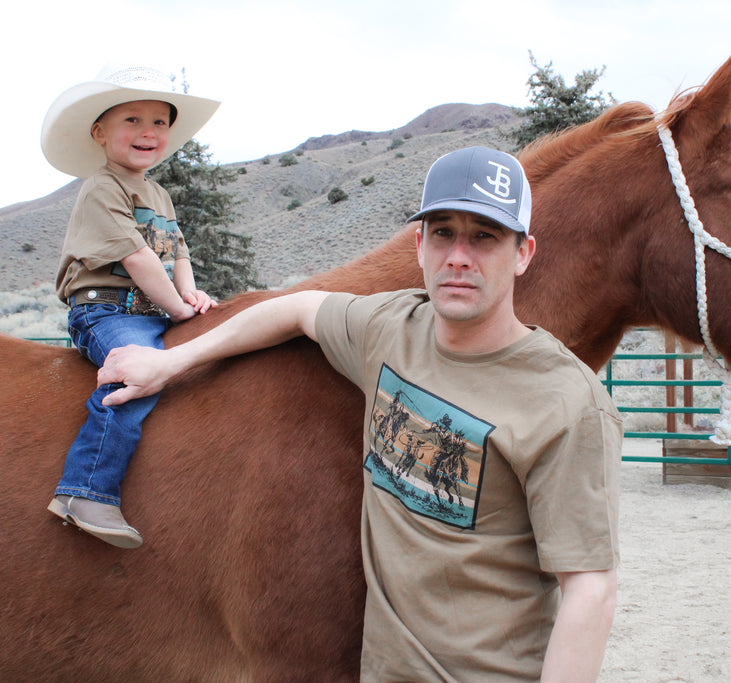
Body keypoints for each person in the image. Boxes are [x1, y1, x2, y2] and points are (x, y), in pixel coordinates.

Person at [99, 146, 622, 679]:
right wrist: (173, 361)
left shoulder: (567, 402)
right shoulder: (391, 330)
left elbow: (589, 587)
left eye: (485, 236)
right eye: (443, 233)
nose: (459, 257)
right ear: (419, 246)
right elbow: (298, 310)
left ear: (523, 254)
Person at [39, 64, 221, 548]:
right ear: (100, 133)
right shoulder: (102, 187)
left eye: (160, 122)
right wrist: (179, 312)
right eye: (133, 120)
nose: (149, 132)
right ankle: (87, 488)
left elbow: (176, 251)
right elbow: (139, 259)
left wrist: (192, 296)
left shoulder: (158, 193)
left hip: (153, 306)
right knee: (135, 374)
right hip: (107, 310)